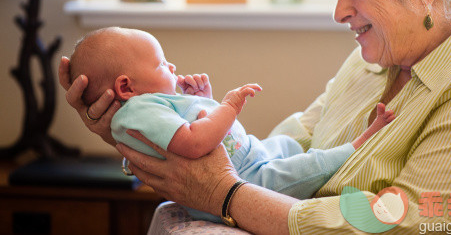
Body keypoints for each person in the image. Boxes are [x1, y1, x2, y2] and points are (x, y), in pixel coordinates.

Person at [60, 0, 451, 233]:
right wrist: (140, 125)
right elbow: (277, 151)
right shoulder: (375, 60)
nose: (339, 12)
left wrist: (224, 196)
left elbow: (395, 223)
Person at [68, 27, 394, 221]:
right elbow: (195, 142)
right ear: (126, 87)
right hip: (243, 178)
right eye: (161, 64)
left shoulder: (148, 106)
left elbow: (191, 125)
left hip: (250, 154)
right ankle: (356, 147)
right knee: (304, 167)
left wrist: (202, 100)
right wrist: (228, 105)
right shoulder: (140, 111)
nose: (172, 66)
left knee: (284, 145)